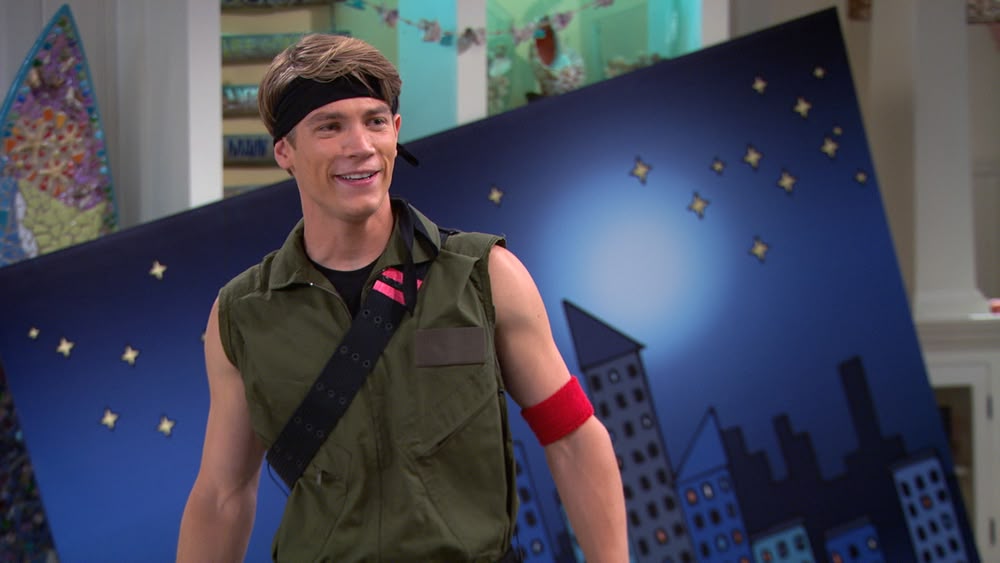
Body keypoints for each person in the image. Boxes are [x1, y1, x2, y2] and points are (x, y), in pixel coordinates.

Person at [177, 33, 627, 562]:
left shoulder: (486, 277)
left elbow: (572, 436)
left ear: (395, 131)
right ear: (285, 151)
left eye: (374, 121)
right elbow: (222, 496)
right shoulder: (242, 315)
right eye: (329, 126)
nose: (360, 146)